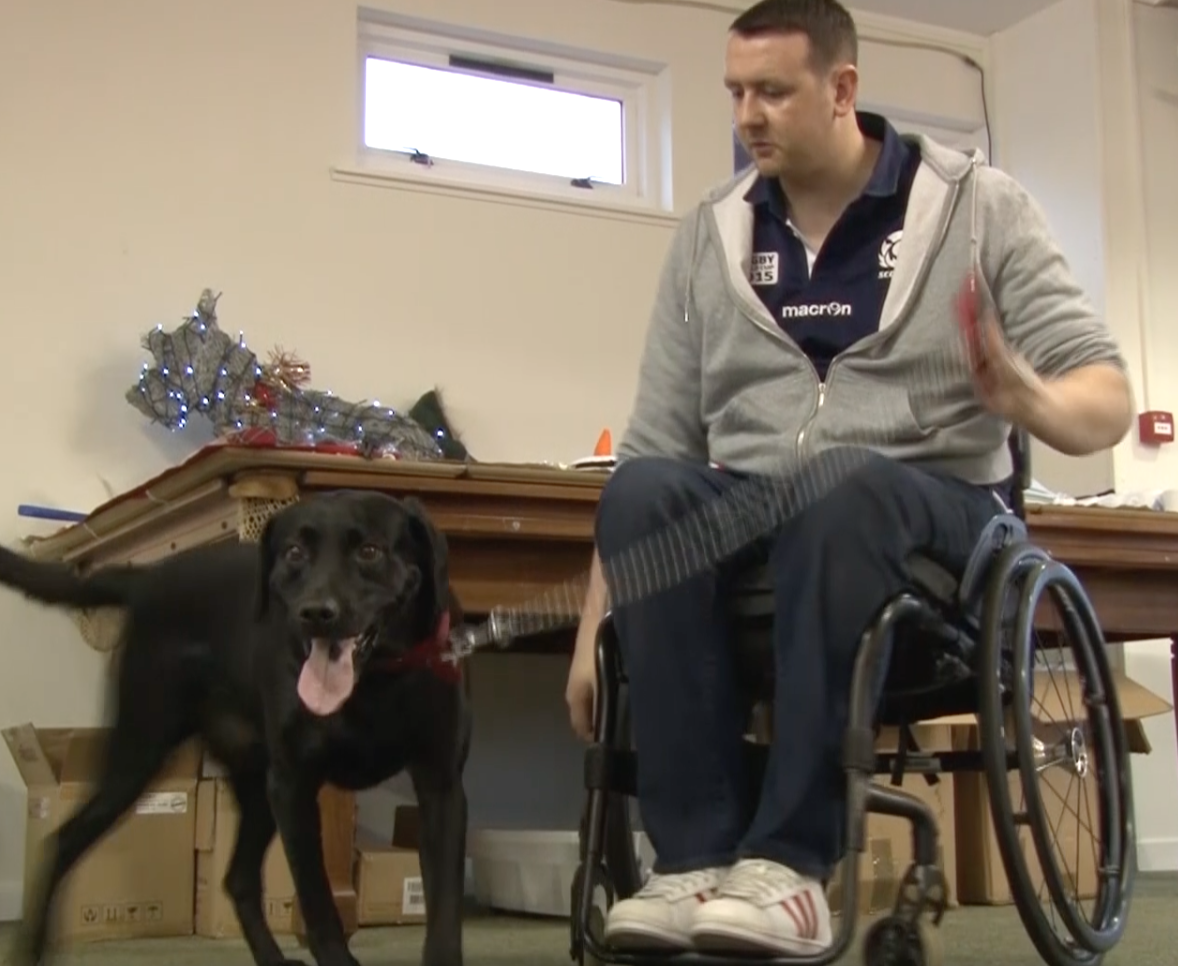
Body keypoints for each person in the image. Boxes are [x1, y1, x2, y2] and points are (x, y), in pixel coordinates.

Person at [563, 0, 1133, 957]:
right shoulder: (713, 232)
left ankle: (790, 865)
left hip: (931, 514)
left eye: (774, 92)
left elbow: (1106, 396)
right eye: (737, 92)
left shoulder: (975, 205)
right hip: (763, 517)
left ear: (843, 89)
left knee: (841, 485)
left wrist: (1027, 395)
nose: (749, 115)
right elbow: (654, 447)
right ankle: (696, 862)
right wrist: (594, 630)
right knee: (645, 491)